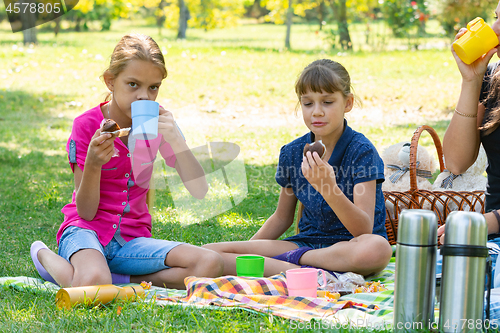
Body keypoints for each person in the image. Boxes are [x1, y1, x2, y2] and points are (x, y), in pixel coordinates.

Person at [30, 33, 223, 289]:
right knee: (94, 283)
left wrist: (177, 141)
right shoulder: (86, 126)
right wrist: (94, 164)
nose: (144, 96)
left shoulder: (159, 124)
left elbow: (199, 190)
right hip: (86, 231)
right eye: (133, 84)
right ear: (111, 81)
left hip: (133, 240)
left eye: (153, 87)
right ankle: (44, 255)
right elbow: (86, 212)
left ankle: (118, 280)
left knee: (208, 264)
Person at [203, 59, 392, 277]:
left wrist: (327, 187)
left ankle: (295, 265)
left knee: (377, 249)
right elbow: (282, 218)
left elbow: (363, 229)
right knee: (210, 252)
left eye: (328, 102)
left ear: (347, 103)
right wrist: (246, 251)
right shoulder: (293, 153)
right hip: (304, 243)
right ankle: (305, 270)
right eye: (308, 103)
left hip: (350, 246)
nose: (317, 112)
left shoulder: (361, 151)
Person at [439, 3, 500, 246]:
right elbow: (456, 162)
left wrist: (482, 223)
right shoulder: (492, 78)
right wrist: (471, 81)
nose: (495, 28)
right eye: (496, 17)